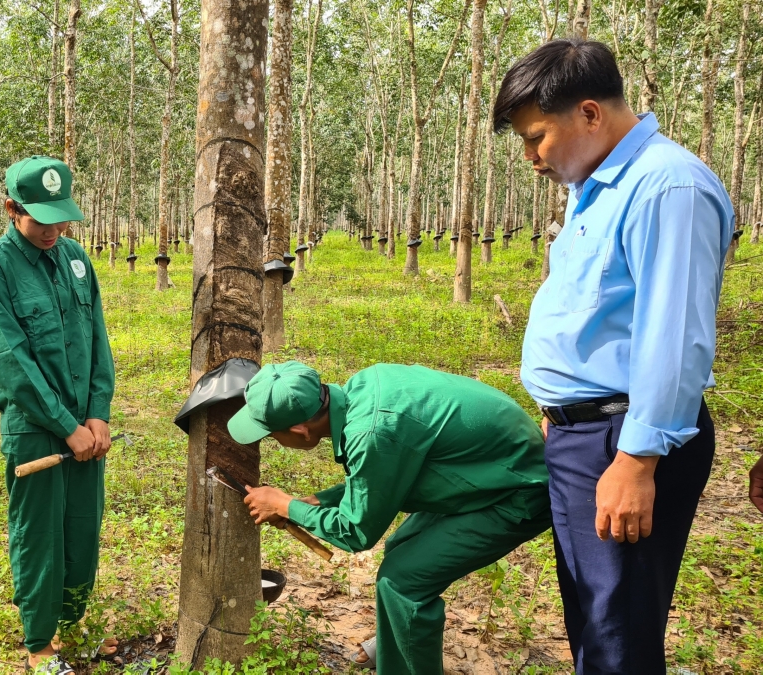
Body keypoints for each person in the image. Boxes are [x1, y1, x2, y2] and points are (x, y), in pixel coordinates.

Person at [494, 39, 733, 674]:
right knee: (595, 620)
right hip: (589, 433)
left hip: (623, 441)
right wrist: (560, 406)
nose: (531, 158)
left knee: (615, 636)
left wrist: (635, 460)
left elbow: (673, 335)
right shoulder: (596, 188)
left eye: (537, 137)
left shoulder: (666, 188)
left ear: (590, 114)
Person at [231, 361, 551, 675]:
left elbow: (356, 533)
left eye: (271, 434)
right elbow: (380, 475)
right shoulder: (368, 384)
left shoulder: (370, 432)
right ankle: (394, 646)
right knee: (401, 546)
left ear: (300, 430)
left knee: (403, 582)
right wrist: (317, 502)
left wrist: (286, 506)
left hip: (519, 491)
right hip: (486, 468)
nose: (271, 439)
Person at [0, 156, 116, 675]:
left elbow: (97, 336)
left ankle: (72, 624)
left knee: (81, 527)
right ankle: (40, 645)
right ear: (11, 208)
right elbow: (11, 363)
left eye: (61, 218)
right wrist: (66, 427)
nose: (53, 230)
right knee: (40, 536)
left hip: (86, 430)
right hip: (37, 432)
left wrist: (97, 414)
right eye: (40, 218)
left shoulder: (76, 259)